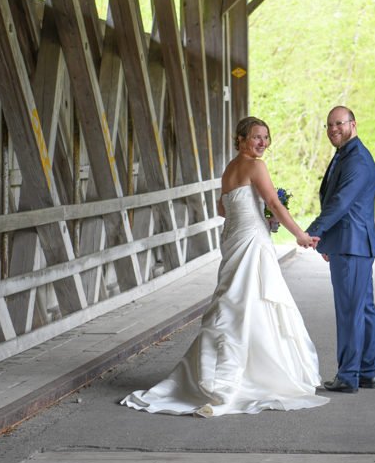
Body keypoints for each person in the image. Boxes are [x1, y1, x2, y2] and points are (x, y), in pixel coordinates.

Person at [120, 117, 328, 417]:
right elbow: (274, 201)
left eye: (266, 137)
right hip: (252, 240)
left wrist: (257, 212)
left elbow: (222, 208)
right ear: (241, 139)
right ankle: (256, 372)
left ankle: (220, 371)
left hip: (233, 238)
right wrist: (300, 235)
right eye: (256, 137)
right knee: (255, 300)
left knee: (236, 302)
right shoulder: (256, 166)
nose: (263, 143)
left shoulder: (230, 168)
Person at [307, 106, 375, 394]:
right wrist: (328, 241)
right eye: (328, 125)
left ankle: (349, 375)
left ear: (353, 123)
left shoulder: (358, 160)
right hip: (350, 243)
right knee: (362, 308)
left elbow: (340, 202)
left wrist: (312, 234)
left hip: (352, 245)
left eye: (339, 123)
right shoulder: (346, 154)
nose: (333, 129)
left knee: (351, 310)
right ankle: (366, 371)